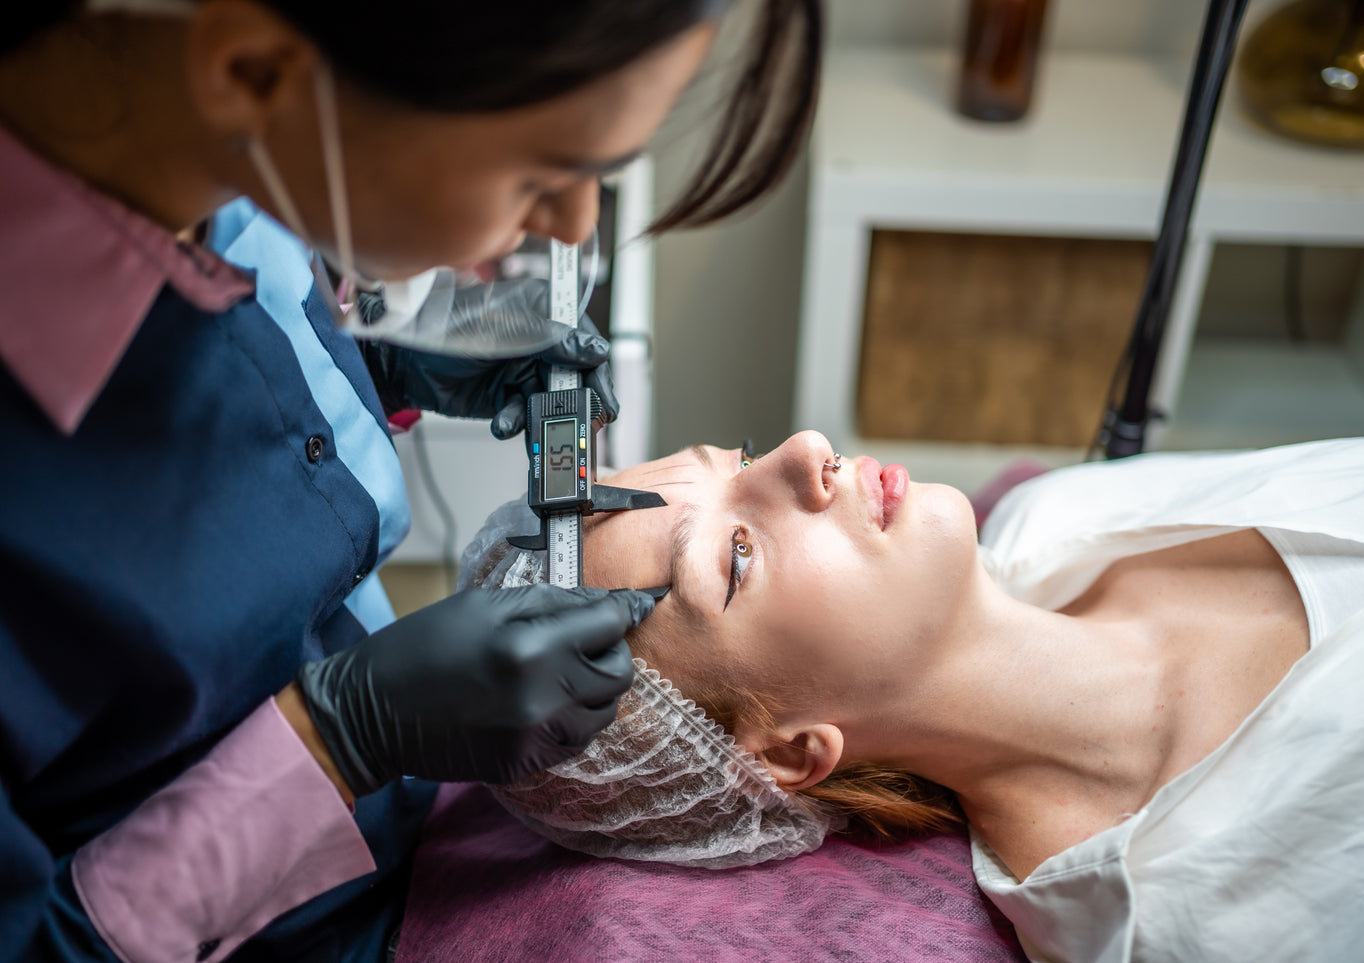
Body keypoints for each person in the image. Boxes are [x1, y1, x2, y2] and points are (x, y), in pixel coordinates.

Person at [0, 1, 823, 960]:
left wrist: (375, 362)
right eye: (543, 172)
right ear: (254, 73)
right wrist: (333, 740)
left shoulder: (210, 157)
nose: (570, 223)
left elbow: (224, 390)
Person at [464, 428, 1364, 962]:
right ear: (785, 751)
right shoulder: (1186, 915)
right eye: (735, 553)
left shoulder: (1063, 506)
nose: (805, 453)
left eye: (733, 459)